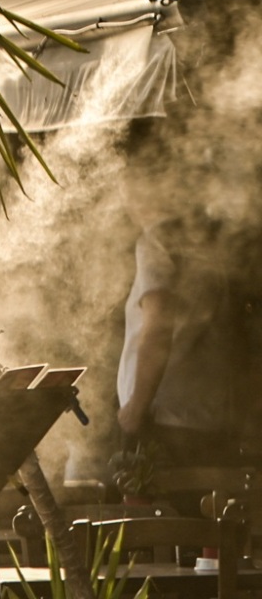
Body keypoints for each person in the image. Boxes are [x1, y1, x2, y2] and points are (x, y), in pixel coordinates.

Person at [115, 163, 246, 489]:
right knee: (206, 531)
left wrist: (136, 408)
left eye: (125, 186)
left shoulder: (156, 241)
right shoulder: (204, 243)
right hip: (208, 419)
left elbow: (158, 327)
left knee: (159, 530)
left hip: (164, 421)